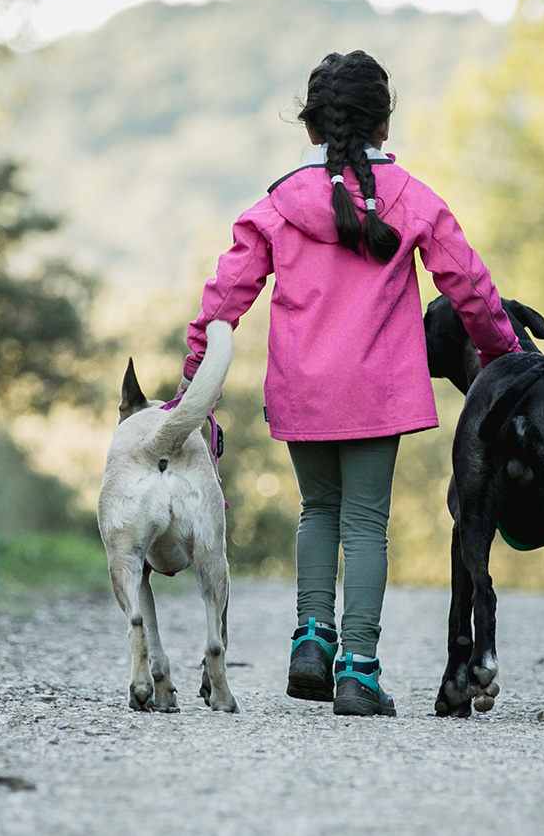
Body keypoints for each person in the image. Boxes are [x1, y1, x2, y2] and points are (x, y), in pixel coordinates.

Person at [180, 50, 522, 717]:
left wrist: (197, 375)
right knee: (365, 521)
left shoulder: (278, 204)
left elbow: (226, 294)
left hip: (302, 387)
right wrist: (502, 355)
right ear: (384, 125)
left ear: (311, 128)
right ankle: (357, 672)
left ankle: (310, 640)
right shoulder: (414, 199)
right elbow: (471, 289)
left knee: (317, 510)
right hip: (377, 389)